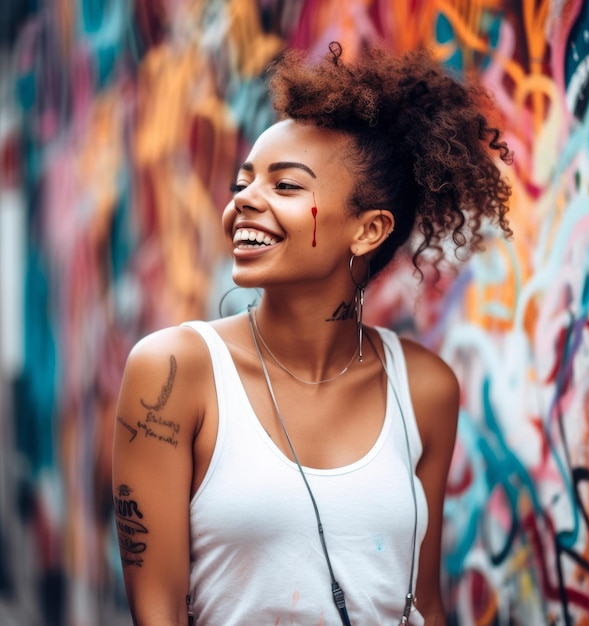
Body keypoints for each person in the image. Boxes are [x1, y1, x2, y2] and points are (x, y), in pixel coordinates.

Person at [112, 41, 512, 626]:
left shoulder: (424, 388)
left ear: (369, 230)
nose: (244, 200)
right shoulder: (174, 373)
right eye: (244, 181)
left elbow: (423, 604)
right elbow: (157, 615)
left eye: (286, 186)